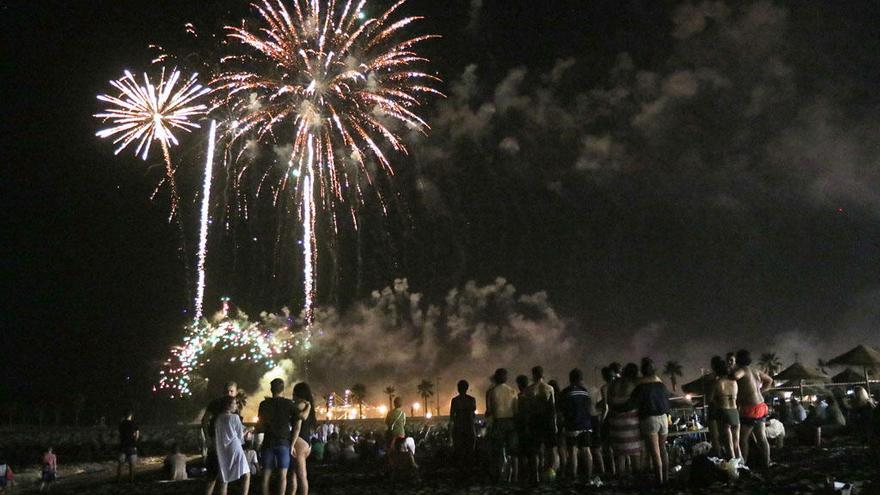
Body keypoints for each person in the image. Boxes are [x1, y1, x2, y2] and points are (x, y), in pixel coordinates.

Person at [630, 358, 670, 485]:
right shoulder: (661, 383)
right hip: (663, 418)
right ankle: (667, 477)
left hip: (649, 419)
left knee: (655, 452)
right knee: (662, 449)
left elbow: (632, 403)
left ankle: (659, 481)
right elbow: (667, 400)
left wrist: (616, 406)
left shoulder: (640, 385)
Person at [732, 349, 773, 469]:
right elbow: (769, 380)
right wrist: (761, 390)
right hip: (761, 406)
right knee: (761, 438)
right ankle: (766, 462)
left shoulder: (742, 370)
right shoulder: (755, 370)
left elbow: (734, 376)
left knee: (743, 439)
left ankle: (744, 464)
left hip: (750, 409)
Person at [257, 378, 296, 495]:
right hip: (283, 442)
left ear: (271, 389)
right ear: (283, 389)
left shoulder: (263, 404)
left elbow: (260, 425)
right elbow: (299, 417)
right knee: (282, 476)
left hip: (268, 442)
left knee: (266, 475)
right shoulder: (289, 404)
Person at [559, 368, 596, 483]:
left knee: (573, 451)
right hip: (586, 425)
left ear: (570, 379)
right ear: (581, 379)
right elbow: (590, 409)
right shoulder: (585, 392)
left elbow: (561, 410)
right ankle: (589, 476)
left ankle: (574, 476)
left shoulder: (566, 392)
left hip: (572, 426)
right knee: (587, 450)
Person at [211, 396, 251, 495]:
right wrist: (249, 429)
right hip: (235, 447)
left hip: (223, 449)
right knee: (246, 474)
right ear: (228, 405)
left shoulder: (219, 418)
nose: (236, 405)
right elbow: (240, 435)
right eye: (234, 403)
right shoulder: (235, 417)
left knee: (225, 477)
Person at [202, 382, 239, 486]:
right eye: (227, 391)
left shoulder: (234, 406)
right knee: (212, 478)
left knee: (224, 479)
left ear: (236, 392)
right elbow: (205, 420)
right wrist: (208, 438)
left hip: (227, 445)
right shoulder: (215, 403)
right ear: (223, 392)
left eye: (231, 391)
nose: (229, 393)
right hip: (216, 442)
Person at [526, 366, 558, 481]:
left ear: (533, 375)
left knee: (535, 450)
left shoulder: (529, 390)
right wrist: (554, 424)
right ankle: (550, 473)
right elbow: (552, 408)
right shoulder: (549, 388)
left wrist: (528, 424)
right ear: (542, 374)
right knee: (550, 449)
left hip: (535, 421)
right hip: (547, 421)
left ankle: (536, 475)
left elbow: (528, 409)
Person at [608, 363, 641, 477]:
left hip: (616, 423)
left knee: (620, 455)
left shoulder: (613, 384)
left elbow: (609, 402)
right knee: (635, 453)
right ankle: (637, 481)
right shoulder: (634, 383)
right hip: (631, 422)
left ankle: (621, 481)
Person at [485, 368, 518, 482]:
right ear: (506, 378)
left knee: (498, 451)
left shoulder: (492, 392)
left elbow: (489, 411)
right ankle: (514, 475)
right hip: (511, 422)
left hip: (498, 423)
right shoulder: (512, 391)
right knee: (512, 452)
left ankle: (499, 475)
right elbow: (516, 409)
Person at [709, 356, 741, 460]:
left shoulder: (718, 383)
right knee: (737, 446)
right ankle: (743, 467)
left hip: (724, 412)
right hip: (735, 412)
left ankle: (734, 473)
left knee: (729, 447)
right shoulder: (734, 382)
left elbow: (710, 399)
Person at [289, 382, 315, 495]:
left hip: (298, 442)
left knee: (301, 476)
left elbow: (297, 428)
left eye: (294, 393)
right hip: (306, 443)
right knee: (294, 474)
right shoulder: (309, 406)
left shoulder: (299, 405)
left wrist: (291, 444)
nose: (292, 396)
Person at [449, 379, 477, 470]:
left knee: (459, 451)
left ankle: (460, 471)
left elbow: (452, 416)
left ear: (458, 389)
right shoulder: (472, 400)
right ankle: (469, 470)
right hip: (469, 428)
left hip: (458, 429)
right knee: (470, 451)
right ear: (467, 388)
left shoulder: (455, 400)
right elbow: (473, 415)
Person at [513, 374, 532, 483]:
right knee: (532, 454)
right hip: (532, 428)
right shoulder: (533, 396)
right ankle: (533, 475)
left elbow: (515, 413)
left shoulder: (518, 398)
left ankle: (523, 476)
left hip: (521, 428)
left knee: (522, 453)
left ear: (519, 385)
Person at [598, 366, 616, 476]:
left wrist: (601, 421)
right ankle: (626, 469)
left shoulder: (604, 387)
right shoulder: (619, 385)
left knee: (609, 447)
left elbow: (606, 407)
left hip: (610, 418)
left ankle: (613, 471)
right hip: (620, 417)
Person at [117, 410, 139, 483]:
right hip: (131, 446)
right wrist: (134, 440)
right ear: (131, 416)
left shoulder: (121, 424)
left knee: (120, 464)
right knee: (132, 465)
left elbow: (119, 434)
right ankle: (131, 480)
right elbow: (137, 435)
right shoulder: (134, 423)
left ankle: (118, 480)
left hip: (122, 446)